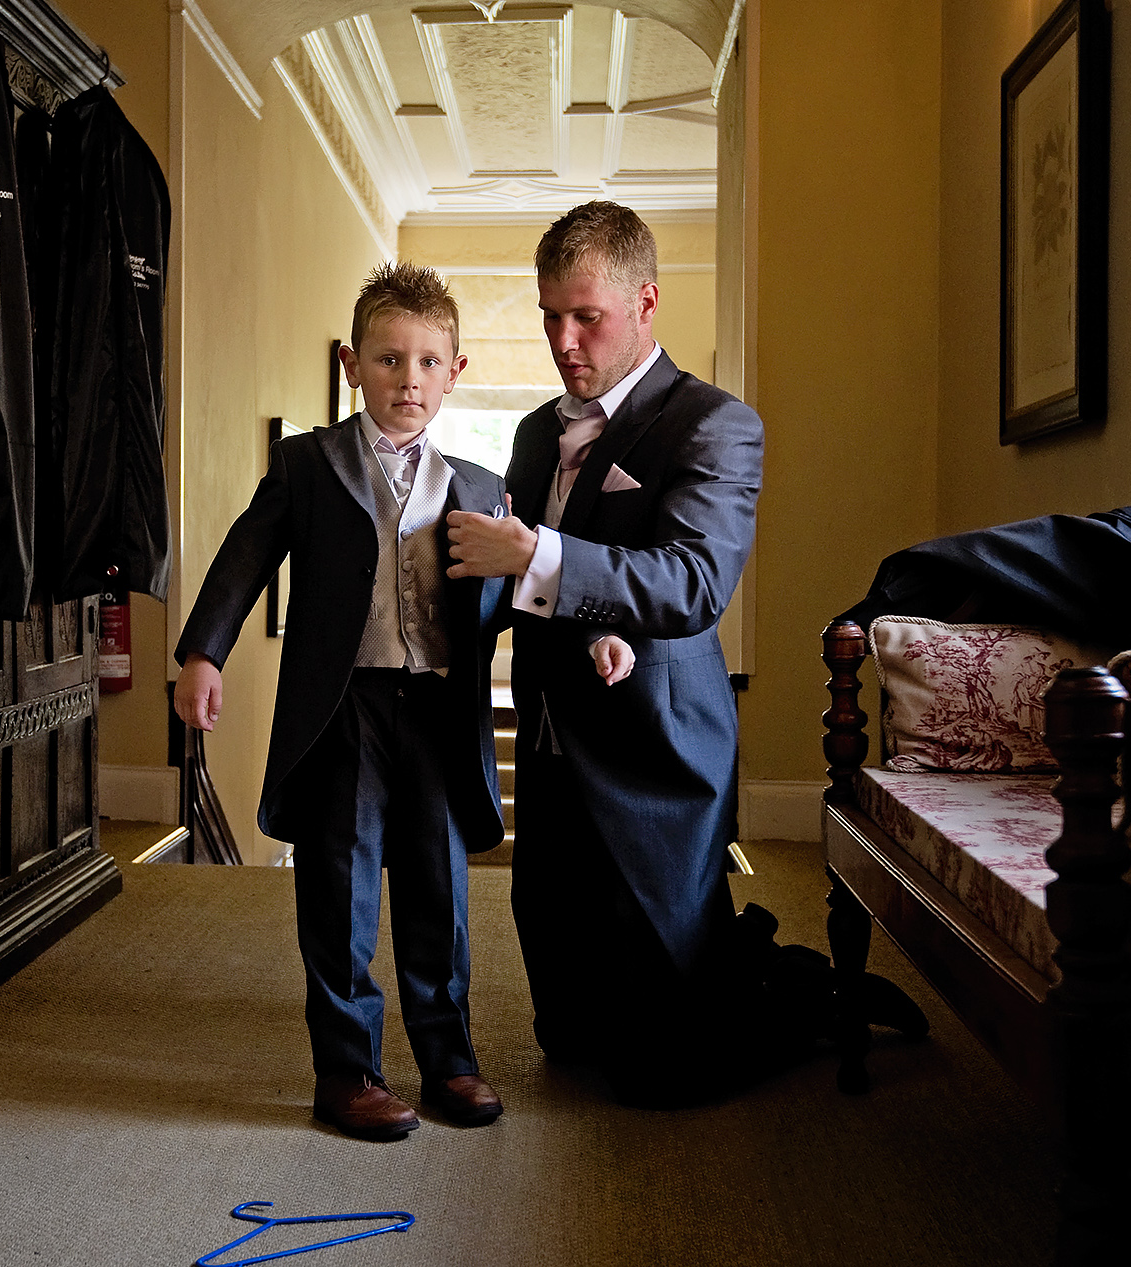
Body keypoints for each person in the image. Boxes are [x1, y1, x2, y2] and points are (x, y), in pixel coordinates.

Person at [170, 264, 511, 1141]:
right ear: (353, 364)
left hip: (438, 705)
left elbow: (517, 594)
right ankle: (348, 1070)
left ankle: (450, 1059)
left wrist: (593, 633)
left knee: (438, 891)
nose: (410, 379)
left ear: (456, 369)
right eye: (390, 359)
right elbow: (245, 557)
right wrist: (204, 654)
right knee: (341, 887)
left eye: (429, 361)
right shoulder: (307, 463)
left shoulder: (478, 485)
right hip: (344, 706)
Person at [445, 202, 768, 1104]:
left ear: (647, 301)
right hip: (552, 731)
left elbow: (694, 582)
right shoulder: (536, 433)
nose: (563, 338)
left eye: (586, 315)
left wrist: (535, 554)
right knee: (567, 1027)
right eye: (550, 314)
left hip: (654, 745)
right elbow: (512, 578)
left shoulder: (715, 423)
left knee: (667, 1060)